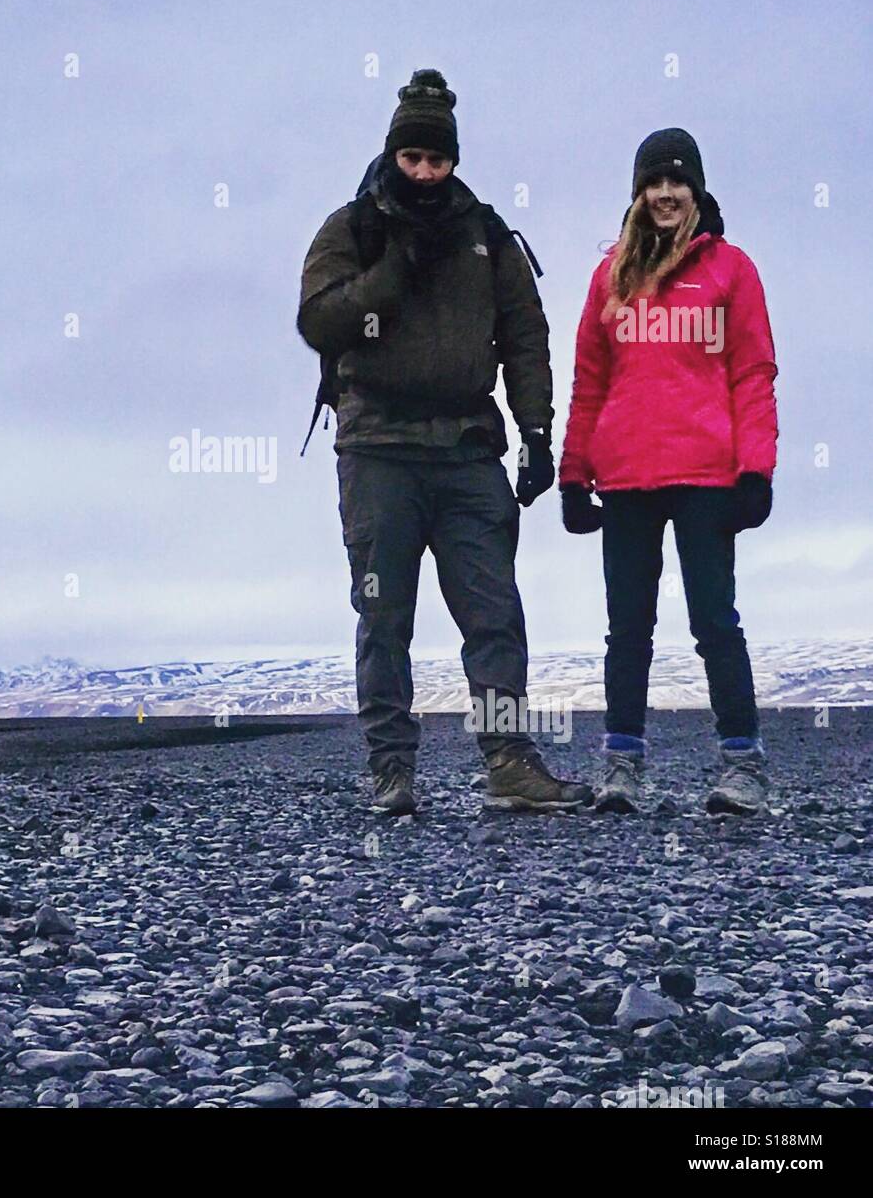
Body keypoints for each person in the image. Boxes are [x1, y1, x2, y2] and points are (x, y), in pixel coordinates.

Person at [297, 68, 592, 816]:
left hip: (467, 449)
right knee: (384, 614)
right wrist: (389, 274)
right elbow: (316, 321)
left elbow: (526, 336)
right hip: (377, 449)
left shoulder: (486, 234)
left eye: (438, 159)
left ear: (454, 159)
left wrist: (535, 433)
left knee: (494, 614)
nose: (426, 172)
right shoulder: (353, 228)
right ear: (394, 154)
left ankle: (509, 763)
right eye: (414, 159)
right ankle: (392, 771)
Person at [558, 128, 779, 815]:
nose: (664, 195)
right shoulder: (610, 277)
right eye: (653, 184)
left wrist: (757, 470)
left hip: (708, 477)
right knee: (627, 627)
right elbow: (589, 381)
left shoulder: (730, 270)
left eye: (676, 183)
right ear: (638, 193)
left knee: (715, 620)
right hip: (624, 479)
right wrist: (573, 473)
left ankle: (741, 766)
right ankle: (622, 766)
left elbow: (752, 372)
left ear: (696, 192)